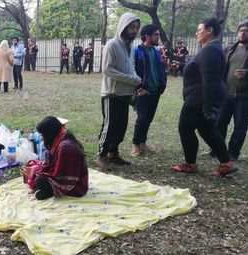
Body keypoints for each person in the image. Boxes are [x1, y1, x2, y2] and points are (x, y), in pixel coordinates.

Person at [172, 17, 238, 177]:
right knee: (207, 130)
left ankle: (189, 164)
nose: (196, 33)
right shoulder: (213, 49)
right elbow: (202, 71)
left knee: (185, 128)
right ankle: (226, 164)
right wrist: (182, 66)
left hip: (199, 98)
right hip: (202, 96)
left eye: (199, 29)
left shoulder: (210, 50)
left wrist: (207, 106)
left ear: (209, 30)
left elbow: (209, 79)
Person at [215, 20, 248, 160]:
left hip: (246, 95)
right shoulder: (231, 48)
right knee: (220, 123)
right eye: (240, 30)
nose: (242, 33)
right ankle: (216, 149)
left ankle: (233, 153)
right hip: (226, 93)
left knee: (240, 126)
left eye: (247, 30)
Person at [96, 13, 142, 169]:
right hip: (111, 93)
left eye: (136, 28)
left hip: (125, 93)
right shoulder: (112, 45)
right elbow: (107, 69)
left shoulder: (131, 47)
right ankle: (101, 155)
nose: (134, 30)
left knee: (121, 126)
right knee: (110, 126)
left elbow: (132, 68)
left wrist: (135, 79)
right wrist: (132, 79)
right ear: (123, 26)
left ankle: (113, 154)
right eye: (131, 27)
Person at [21, 116, 88, 199]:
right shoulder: (58, 139)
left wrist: (35, 174)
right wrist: (34, 170)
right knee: (33, 167)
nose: (42, 138)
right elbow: (51, 166)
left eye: (43, 135)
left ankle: (47, 192)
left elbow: (62, 178)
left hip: (75, 186)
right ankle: (43, 190)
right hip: (62, 177)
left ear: (49, 134)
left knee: (40, 180)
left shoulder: (65, 147)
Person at [131, 24, 167, 156]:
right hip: (143, 91)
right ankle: (135, 145)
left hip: (155, 91)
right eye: (156, 34)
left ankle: (142, 143)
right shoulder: (137, 51)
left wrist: (162, 84)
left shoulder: (157, 52)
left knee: (149, 119)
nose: (158, 37)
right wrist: (138, 88)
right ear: (147, 36)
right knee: (142, 118)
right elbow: (132, 71)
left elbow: (160, 70)